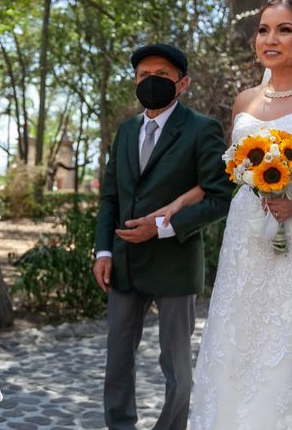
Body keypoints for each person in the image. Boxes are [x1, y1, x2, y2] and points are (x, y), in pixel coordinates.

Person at [186, 0, 292, 429]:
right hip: (246, 237)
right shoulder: (245, 102)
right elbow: (236, 169)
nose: (270, 38)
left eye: (284, 29)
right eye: (263, 29)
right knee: (243, 337)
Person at [92, 43, 233, 430]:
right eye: (143, 76)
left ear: (182, 83)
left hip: (175, 264)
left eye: (162, 76)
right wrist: (103, 250)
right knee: (117, 358)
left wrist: (161, 227)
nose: (150, 82)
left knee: (176, 366)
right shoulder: (126, 132)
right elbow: (110, 198)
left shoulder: (202, 129)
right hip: (123, 264)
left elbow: (220, 197)